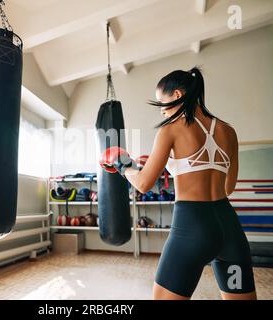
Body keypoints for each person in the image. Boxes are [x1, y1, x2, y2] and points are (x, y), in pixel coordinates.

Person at [100, 67, 257, 300]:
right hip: (229, 229)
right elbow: (228, 188)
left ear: (177, 96)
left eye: (162, 103)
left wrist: (123, 164)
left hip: (193, 228)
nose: (162, 112)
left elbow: (143, 184)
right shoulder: (228, 131)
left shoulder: (171, 130)